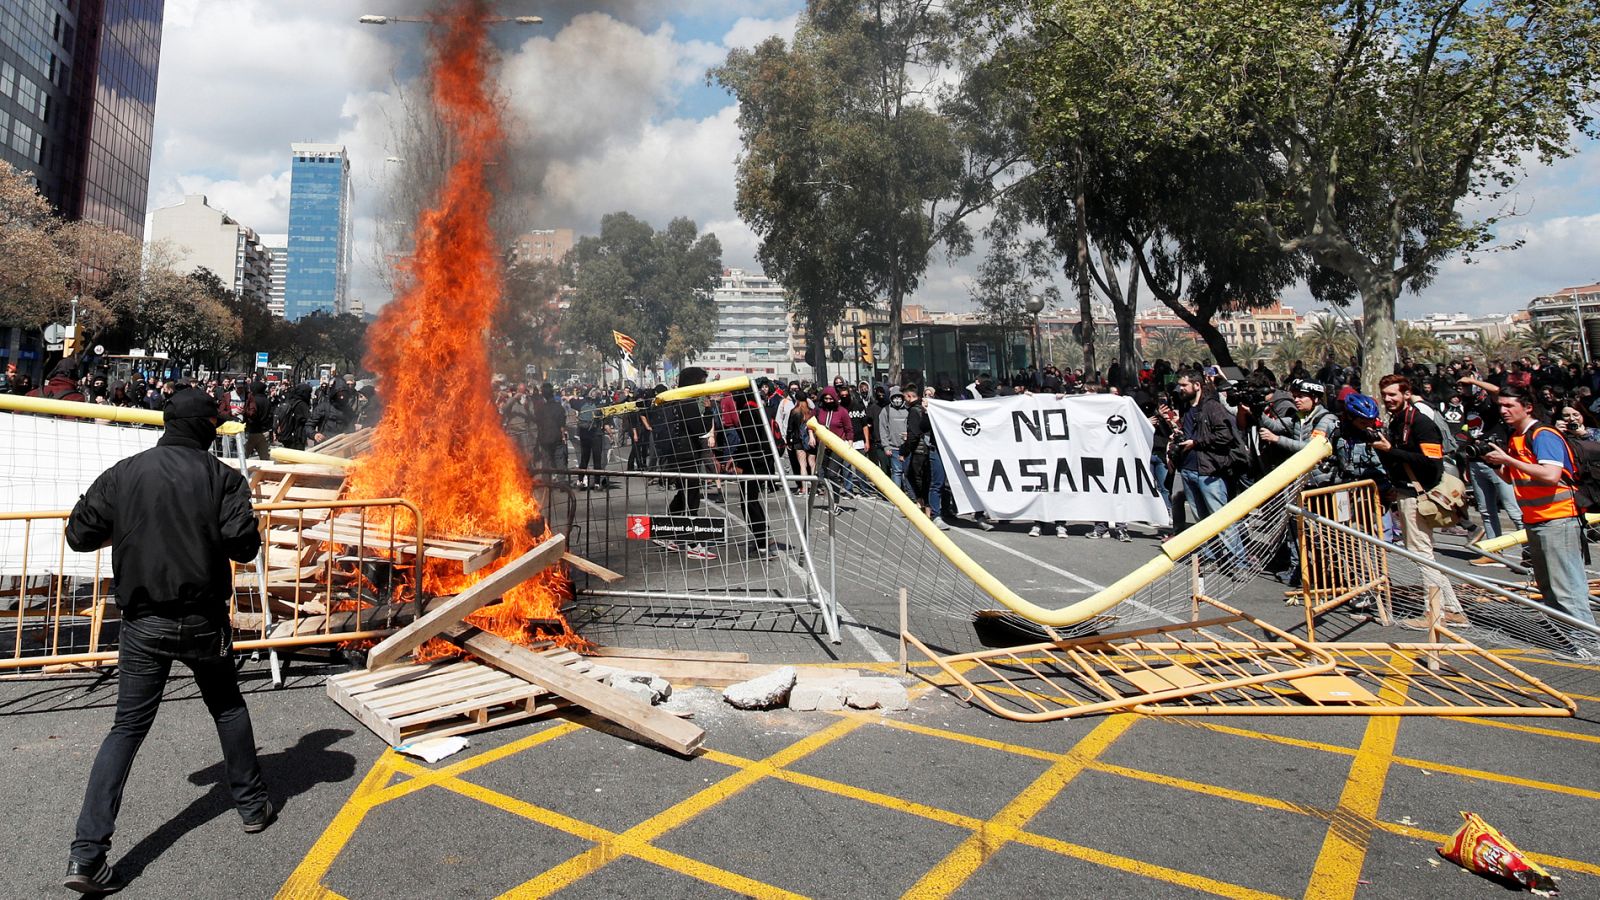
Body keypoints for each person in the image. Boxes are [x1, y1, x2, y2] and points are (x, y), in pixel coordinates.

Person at [61, 388, 273, 894]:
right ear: (206, 428)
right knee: (227, 707)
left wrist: (127, 526)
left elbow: (79, 535)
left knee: (127, 728)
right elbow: (244, 547)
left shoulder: (125, 473)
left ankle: (87, 855)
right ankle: (251, 806)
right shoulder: (223, 477)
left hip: (143, 622)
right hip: (203, 621)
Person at [1481, 387, 1598, 658]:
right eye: (1501, 406)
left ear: (1527, 407)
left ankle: (1588, 643)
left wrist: (1508, 459)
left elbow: (1550, 474)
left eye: (1509, 405)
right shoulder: (1517, 437)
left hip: (1558, 518)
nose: (1503, 411)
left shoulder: (1543, 434)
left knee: (1566, 587)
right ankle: (1568, 640)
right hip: (1537, 519)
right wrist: (1496, 463)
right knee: (1549, 587)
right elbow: (1512, 477)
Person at [1371, 374, 1467, 629]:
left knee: (1421, 554)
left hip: (1418, 495)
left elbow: (1431, 462)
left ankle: (1433, 612)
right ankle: (1451, 609)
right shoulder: (1398, 420)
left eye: (1393, 394)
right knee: (1423, 553)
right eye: (1385, 395)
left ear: (1406, 394)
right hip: (1406, 493)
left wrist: (1391, 451)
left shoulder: (1420, 422)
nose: (1388, 399)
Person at [1169, 371, 1245, 565]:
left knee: (1221, 519)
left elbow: (1225, 436)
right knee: (1201, 521)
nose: (1180, 389)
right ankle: (1212, 556)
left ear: (1197, 385)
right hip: (1188, 469)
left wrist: (1196, 442)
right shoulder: (1187, 408)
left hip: (1208, 471)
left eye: (1184, 385)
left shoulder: (1212, 407)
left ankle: (1239, 561)